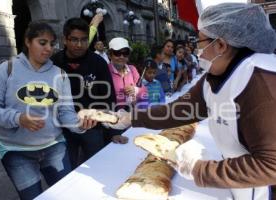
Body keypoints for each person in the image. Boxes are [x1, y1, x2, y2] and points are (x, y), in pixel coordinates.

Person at [104, 3, 276, 199]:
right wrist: (131, 117)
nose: (197, 49)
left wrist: (200, 170)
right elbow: (179, 110)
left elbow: (271, 165)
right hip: (241, 186)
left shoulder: (262, 85)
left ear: (220, 45)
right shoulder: (215, 76)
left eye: (200, 41)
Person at [0, 21, 97, 200]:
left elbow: (65, 113)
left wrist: (81, 124)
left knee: (66, 196)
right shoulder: (7, 69)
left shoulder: (59, 74)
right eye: (42, 43)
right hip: (16, 151)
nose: (48, 49)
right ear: (28, 42)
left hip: (54, 147)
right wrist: (18, 118)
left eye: (52, 44)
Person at [51, 18, 116, 168]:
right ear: (65, 40)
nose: (79, 45)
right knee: (67, 172)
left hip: (93, 127)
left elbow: (109, 97)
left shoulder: (98, 62)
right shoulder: (54, 63)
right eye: (74, 40)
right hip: (63, 129)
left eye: (83, 40)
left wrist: (111, 130)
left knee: (97, 167)